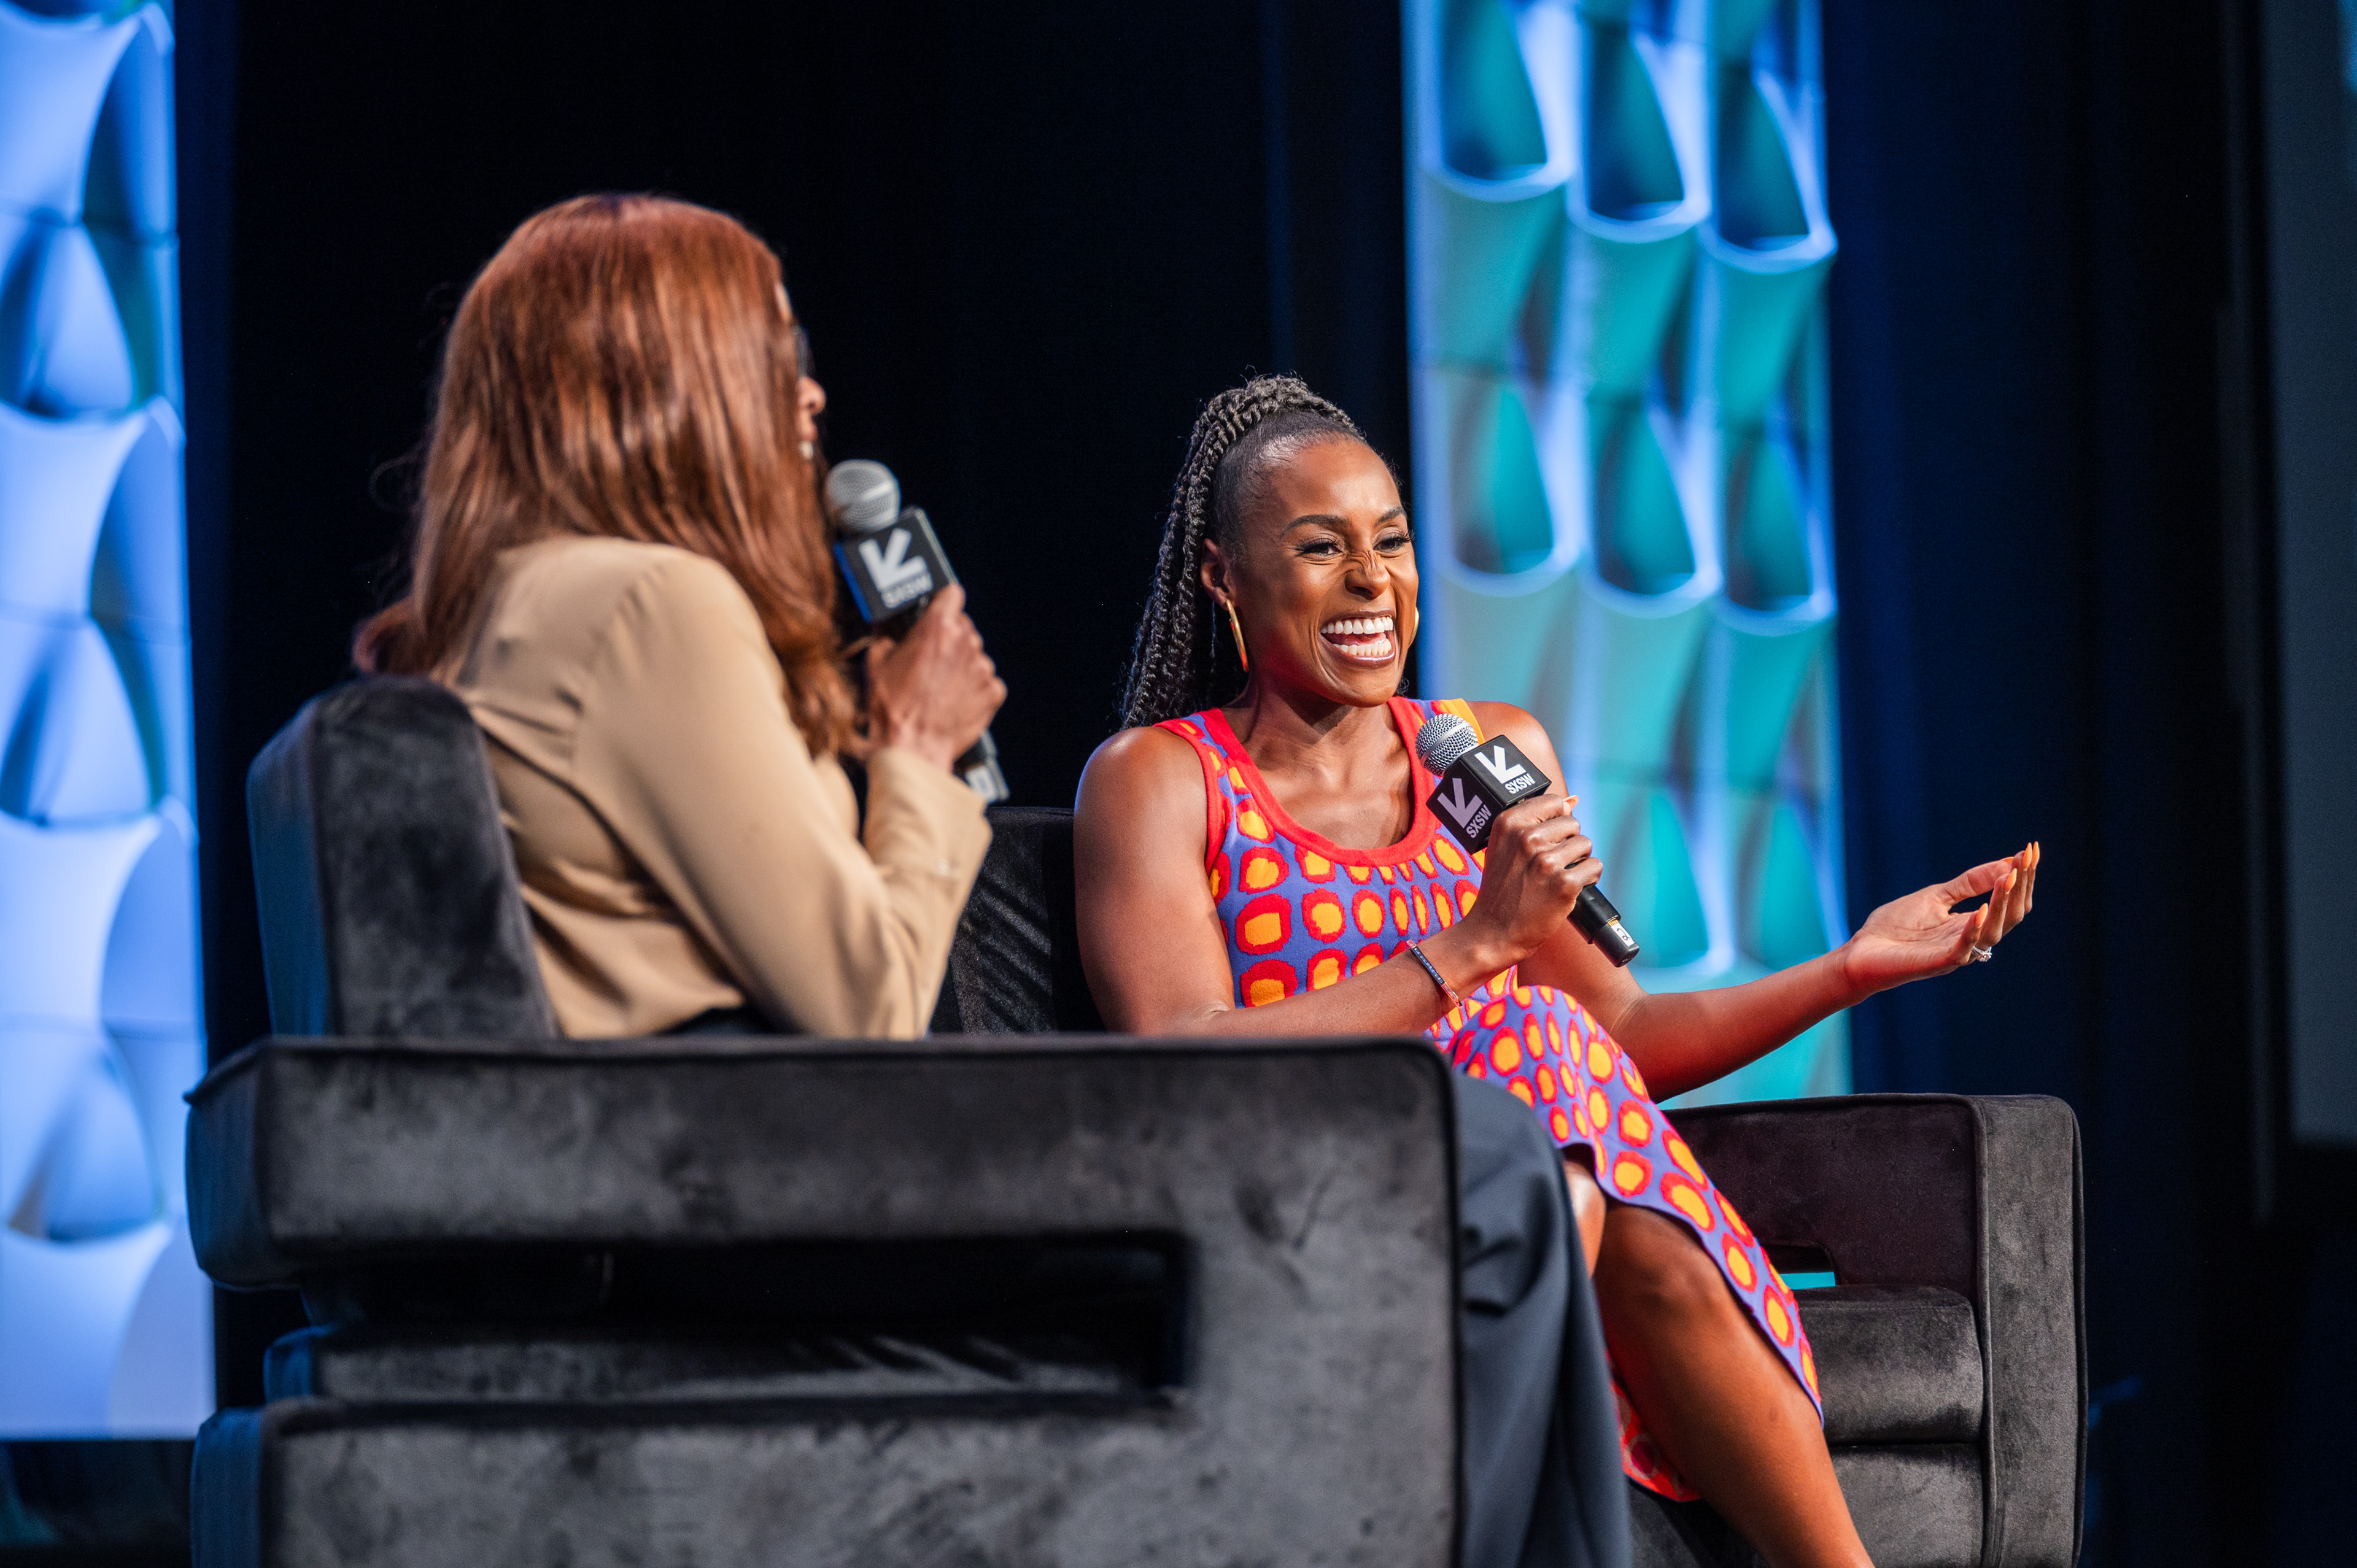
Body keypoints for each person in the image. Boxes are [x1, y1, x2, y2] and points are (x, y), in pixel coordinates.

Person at [1075, 376, 2039, 1568]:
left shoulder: (1489, 755)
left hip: (1551, 1199)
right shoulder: (1159, 779)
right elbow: (1171, 1064)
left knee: (1571, 1104)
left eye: (1392, 543)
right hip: (1316, 1194)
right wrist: (1469, 951)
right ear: (1222, 576)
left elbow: (1622, 1037)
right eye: (1322, 549)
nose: (1374, 582)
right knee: (1532, 1046)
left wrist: (1849, 969)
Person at [355, 194, 1005, 1038]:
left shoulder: (512, 603)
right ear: (665, 383)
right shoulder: (645, 605)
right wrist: (917, 746)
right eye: (771, 353)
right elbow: (867, 1007)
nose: (810, 393)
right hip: (716, 1150)